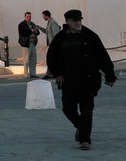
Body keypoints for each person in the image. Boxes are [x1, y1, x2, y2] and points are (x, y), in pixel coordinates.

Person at [47, 9, 116, 151]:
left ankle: (85, 140)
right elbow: (51, 57)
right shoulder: (60, 38)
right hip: (68, 81)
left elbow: (103, 56)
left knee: (86, 111)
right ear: (67, 22)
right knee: (68, 109)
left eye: (80, 20)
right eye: (75, 20)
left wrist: (109, 75)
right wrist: (58, 74)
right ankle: (80, 126)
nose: (78, 22)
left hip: (88, 80)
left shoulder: (90, 36)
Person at [38, 10, 61, 78]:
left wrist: (55, 45)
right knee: (52, 59)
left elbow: (56, 34)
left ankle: (49, 74)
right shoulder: (49, 22)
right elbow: (48, 32)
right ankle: (52, 73)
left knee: (50, 59)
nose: (43, 17)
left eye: (43, 16)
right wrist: (41, 28)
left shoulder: (52, 22)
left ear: (46, 15)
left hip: (54, 45)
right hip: (52, 45)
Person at [17, 11, 40, 78]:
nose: (29, 18)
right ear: (25, 17)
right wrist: (31, 31)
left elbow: (37, 33)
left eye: (30, 16)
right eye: (27, 16)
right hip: (26, 44)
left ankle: (33, 73)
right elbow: (22, 33)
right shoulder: (21, 25)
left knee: (33, 59)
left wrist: (36, 30)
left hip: (33, 43)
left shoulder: (32, 24)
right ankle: (26, 74)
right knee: (26, 60)